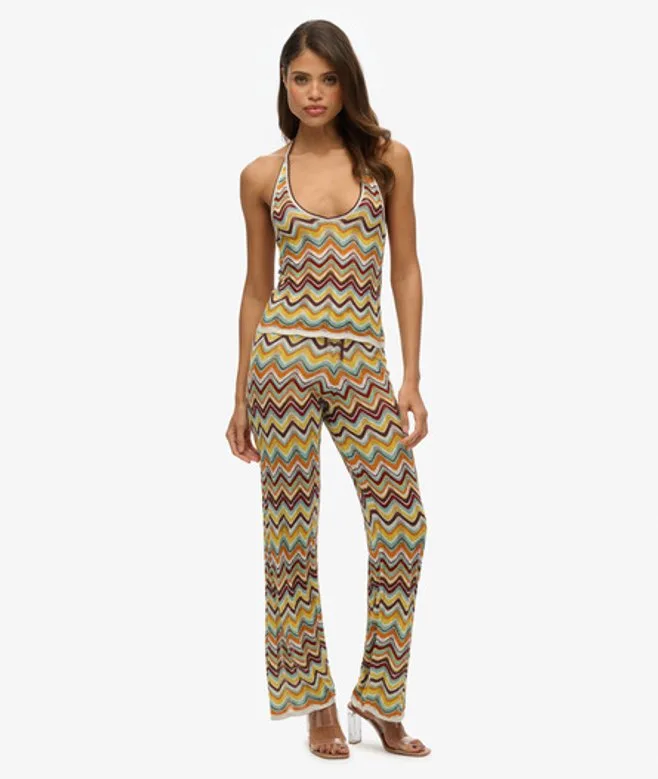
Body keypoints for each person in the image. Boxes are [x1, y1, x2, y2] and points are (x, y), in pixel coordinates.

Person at [226, 19, 431, 760]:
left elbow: (405, 268)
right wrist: (240, 395)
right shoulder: (261, 176)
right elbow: (257, 289)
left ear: (348, 83)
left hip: (361, 364)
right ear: (284, 85)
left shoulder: (386, 160)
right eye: (300, 78)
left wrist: (411, 376)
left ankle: (379, 698)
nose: (314, 92)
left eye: (328, 78)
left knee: (403, 521)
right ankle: (315, 701)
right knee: (290, 534)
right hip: (280, 365)